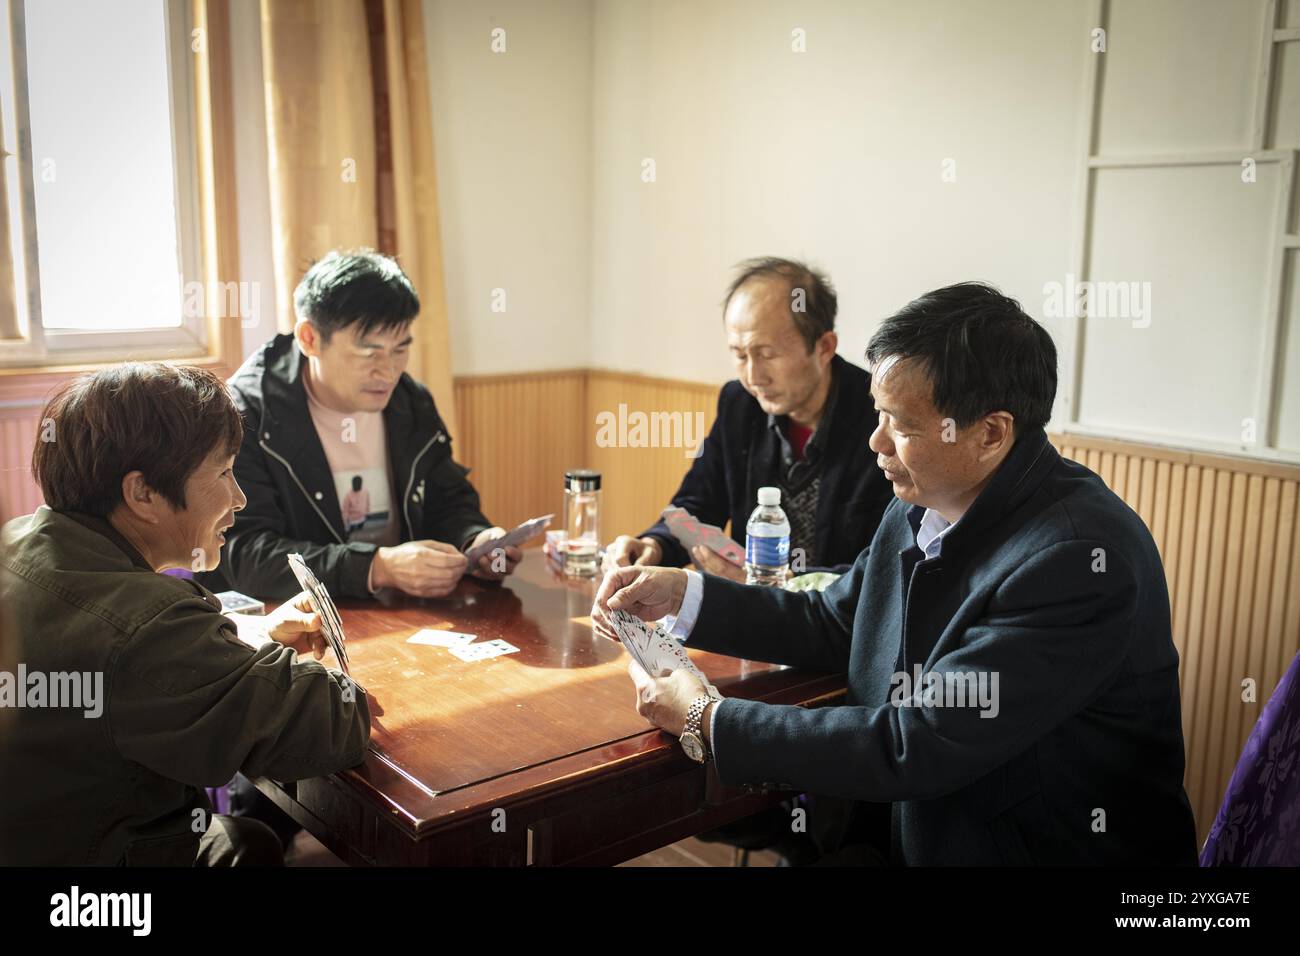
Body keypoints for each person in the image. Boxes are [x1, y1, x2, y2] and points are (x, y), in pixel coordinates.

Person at [594, 282, 1199, 865]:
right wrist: (684, 596)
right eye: (878, 415)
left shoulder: (1077, 561)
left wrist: (709, 717)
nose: (876, 442)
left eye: (902, 426)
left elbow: (919, 741)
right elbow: (834, 620)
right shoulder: (923, 496)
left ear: (991, 432)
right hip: (907, 830)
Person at [0, 363, 370, 865]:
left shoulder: (18, 541)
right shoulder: (148, 625)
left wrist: (250, 636)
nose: (239, 498)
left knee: (250, 840)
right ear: (143, 493)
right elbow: (332, 720)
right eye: (223, 472)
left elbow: (124, 659)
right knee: (250, 844)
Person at [199, 249, 521, 602]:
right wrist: (376, 568)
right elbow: (248, 555)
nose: (388, 372)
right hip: (296, 623)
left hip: (406, 615)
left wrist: (477, 540)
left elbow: (447, 500)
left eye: (400, 350)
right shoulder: (246, 415)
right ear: (310, 339)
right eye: (369, 353)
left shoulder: (409, 401)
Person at [605, 257, 893, 582]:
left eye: (768, 354)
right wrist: (654, 544)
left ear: (824, 347)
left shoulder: (880, 419)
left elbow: (880, 569)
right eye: (740, 355)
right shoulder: (740, 403)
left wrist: (772, 582)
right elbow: (697, 504)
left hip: (838, 624)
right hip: (748, 617)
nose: (754, 377)